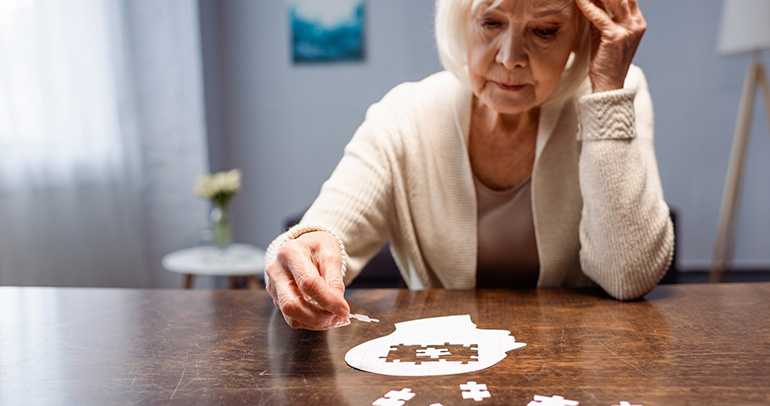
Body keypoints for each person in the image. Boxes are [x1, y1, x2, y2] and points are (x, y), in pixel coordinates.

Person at [265, 0, 674, 330]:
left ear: (581, 34)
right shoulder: (404, 115)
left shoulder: (614, 91)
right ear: (461, 19)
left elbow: (628, 278)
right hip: (440, 369)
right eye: (491, 22)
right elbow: (323, 231)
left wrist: (607, 95)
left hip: (578, 364)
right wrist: (301, 252)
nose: (511, 58)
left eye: (545, 31)